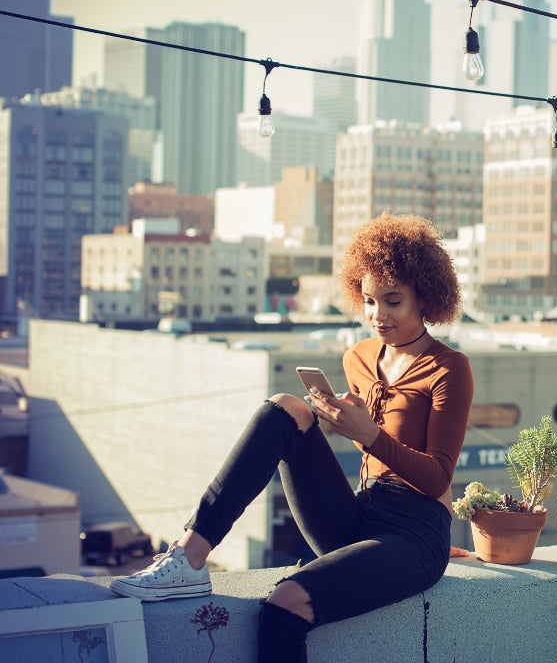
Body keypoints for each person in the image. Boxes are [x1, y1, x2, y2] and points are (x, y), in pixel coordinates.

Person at [111, 214, 474, 662]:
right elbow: (367, 446)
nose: (378, 315)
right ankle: (190, 556)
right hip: (359, 517)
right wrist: (344, 422)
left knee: (285, 602)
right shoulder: (357, 357)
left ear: (425, 296)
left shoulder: (448, 367)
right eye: (369, 301)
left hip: (414, 534)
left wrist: (370, 435)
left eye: (393, 301)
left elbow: (438, 477)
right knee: (287, 407)